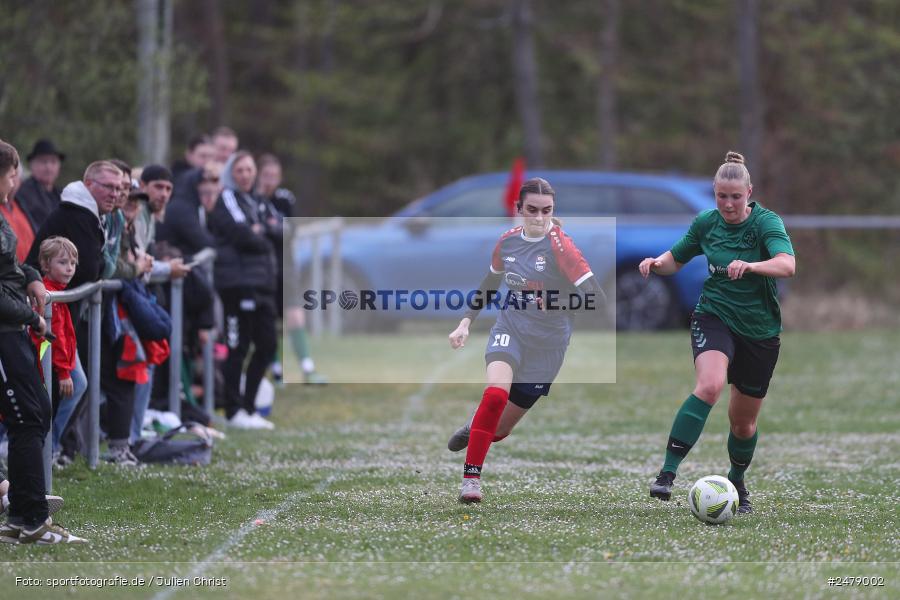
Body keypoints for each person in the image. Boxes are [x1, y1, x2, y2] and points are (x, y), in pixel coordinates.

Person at [640, 151, 795, 514]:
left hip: (759, 329)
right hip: (714, 315)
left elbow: (787, 265)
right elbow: (675, 258)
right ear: (714, 193)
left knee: (743, 424)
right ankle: (667, 473)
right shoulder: (706, 223)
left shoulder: (766, 223)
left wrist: (752, 265)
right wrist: (656, 263)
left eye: (735, 196)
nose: (727, 203)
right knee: (709, 386)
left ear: (749, 193)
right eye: (721, 196)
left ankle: (737, 480)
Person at [446, 177, 605, 503]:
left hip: (548, 347)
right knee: (494, 396)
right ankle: (471, 480)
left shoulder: (563, 248)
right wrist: (465, 323)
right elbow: (489, 284)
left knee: (499, 430)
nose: (539, 217)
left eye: (546, 210)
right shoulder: (507, 243)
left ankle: (475, 426)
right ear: (518, 209)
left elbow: (598, 300)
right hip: (511, 328)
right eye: (531, 209)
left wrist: (556, 303)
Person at [0, 139, 84, 543]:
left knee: (37, 411)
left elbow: (10, 267)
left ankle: (23, 513)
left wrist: (31, 275)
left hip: (13, 330)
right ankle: (28, 518)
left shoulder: (3, 214)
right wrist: (32, 315)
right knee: (28, 415)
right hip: (6, 331)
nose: (17, 180)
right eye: (13, 172)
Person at [209, 151, 279, 430]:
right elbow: (244, 235)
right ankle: (233, 409)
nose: (246, 175)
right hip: (238, 286)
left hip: (263, 285)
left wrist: (264, 231)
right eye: (239, 170)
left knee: (268, 345)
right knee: (238, 347)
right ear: (231, 173)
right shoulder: (227, 198)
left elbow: (283, 231)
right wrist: (261, 232)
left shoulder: (259, 201)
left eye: (249, 170)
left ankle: (249, 408)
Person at [255, 153, 326, 384]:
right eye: (266, 175)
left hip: (286, 266)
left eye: (274, 176)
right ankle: (276, 369)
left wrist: (269, 228)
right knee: (269, 319)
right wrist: (272, 229)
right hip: (263, 268)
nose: (270, 180)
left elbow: (289, 231)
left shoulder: (285, 199)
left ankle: (307, 367)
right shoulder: (251, 200)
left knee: (295, 315)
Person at [32, 237, 87, 460]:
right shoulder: (47, 294)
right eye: (63, 262)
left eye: (73, 263)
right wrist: (64, 371)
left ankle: (50, 445)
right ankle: (48, 447)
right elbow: (55, 337)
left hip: (58, 359)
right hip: (46, 360)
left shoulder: (58, 292)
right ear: (46, 265)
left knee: (80, 385)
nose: (69, 268)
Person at [15, 139, 65, 228]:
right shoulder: (24, 192)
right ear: (32, 165)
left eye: (53, 162)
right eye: (43, 161)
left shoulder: (62, 194)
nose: (48, 167)